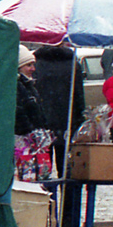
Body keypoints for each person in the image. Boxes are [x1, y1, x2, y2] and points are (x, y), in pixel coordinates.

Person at [34, 45, 85, 177]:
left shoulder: (36, 65)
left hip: (42, 125)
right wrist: (80, 121)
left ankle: (47, 196)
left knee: (43, 170)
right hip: (67, 123)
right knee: (68, 170)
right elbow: (79, 97)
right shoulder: (73, 65)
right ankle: (68, 197)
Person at [15, 45, 45, 136]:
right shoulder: (17, 87)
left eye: (33, 64)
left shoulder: (29, 85)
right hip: (25, 140)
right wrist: (30, 131)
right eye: (28, 65)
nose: (33, 69)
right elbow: (19, 114)